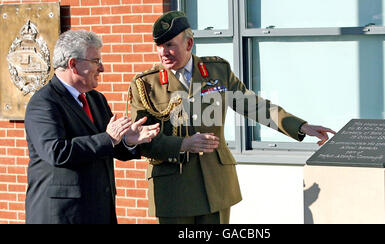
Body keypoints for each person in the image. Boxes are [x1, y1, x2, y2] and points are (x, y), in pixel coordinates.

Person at [129, 11, 336, 224]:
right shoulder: (145, 85)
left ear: (189, 43)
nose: (163, 52)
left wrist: (300, 126)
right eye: (159, 45)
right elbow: (141, 140)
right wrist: (184, 144)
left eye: (170, 45)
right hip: (173, 193)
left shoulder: (217, 71)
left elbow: (255, 106)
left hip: (215, 188)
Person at [24, 30, 160, 224]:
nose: (102, 68)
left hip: (99, 211)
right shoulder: (44, 103)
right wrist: (109, 138)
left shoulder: (96, 99)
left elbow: (105, 146)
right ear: (73, 64)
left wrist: (127, 141)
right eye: (96, 61)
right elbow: (56, 152)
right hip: (62, 216)